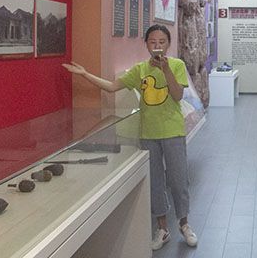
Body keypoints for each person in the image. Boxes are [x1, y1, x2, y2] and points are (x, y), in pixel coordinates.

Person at [62, 24, 198, 251]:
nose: (157, 46)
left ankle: (184, 224)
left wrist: (165, 70)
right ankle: (162, 228)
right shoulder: (139, 70)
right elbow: (111, 87)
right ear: (146, 44)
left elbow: (177, 95)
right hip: (148, 134)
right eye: (152, 42)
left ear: (168, 44)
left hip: (173, 131)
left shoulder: (177, 65)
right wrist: (85, 74)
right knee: (155, 182)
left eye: (162, 42)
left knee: (178, 179)